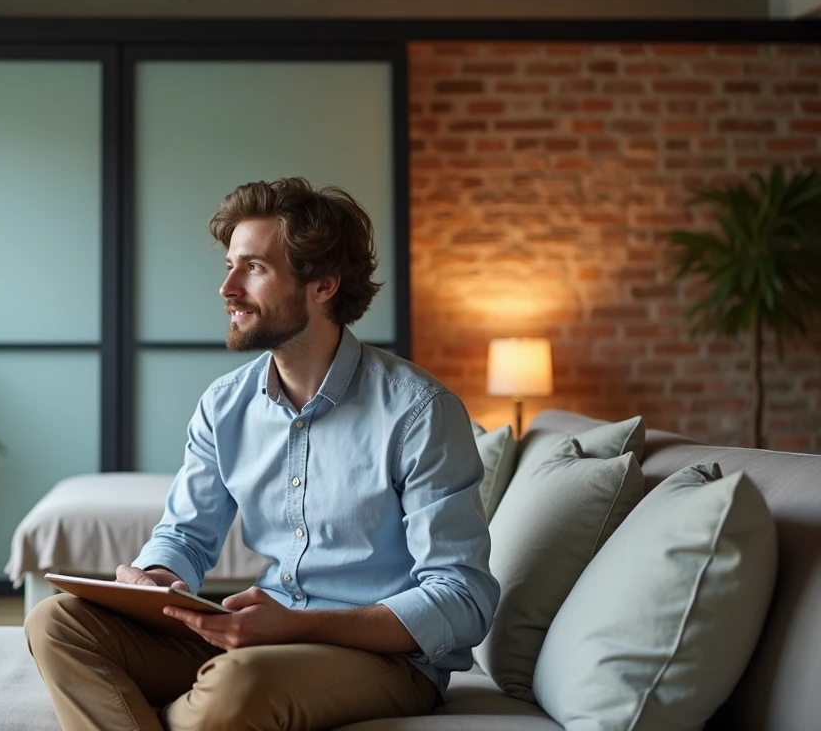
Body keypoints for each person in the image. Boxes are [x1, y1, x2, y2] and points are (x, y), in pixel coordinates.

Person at [27, 177, 498, 731]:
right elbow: (185, 535)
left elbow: (462, 599)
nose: (227, 287)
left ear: (323, 285)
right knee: (56, 621)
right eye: (231, 265)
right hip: (261, 640)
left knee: (235, 685)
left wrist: (301, 626)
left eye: (253, 268)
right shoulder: (224, 404)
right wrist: (156, 578)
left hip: (383, 660)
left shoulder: (419, 412)